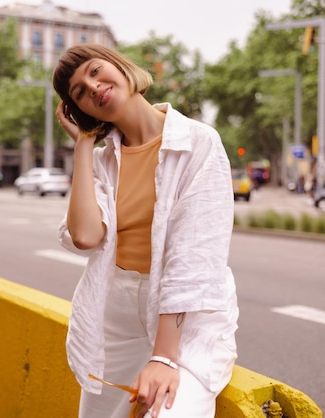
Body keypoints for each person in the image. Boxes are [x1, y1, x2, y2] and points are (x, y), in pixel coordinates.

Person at [52, 44, 239, 418]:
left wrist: (165, 357)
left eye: (94, 70)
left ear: (119, 67)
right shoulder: (103, 161)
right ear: (80, 111)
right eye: (79, 93)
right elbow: (86, 236)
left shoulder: (199, 142)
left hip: (185, 318)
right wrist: (85, 144)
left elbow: (194, 257)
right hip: (117, 314)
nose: (92, 87)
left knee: (168, 413)